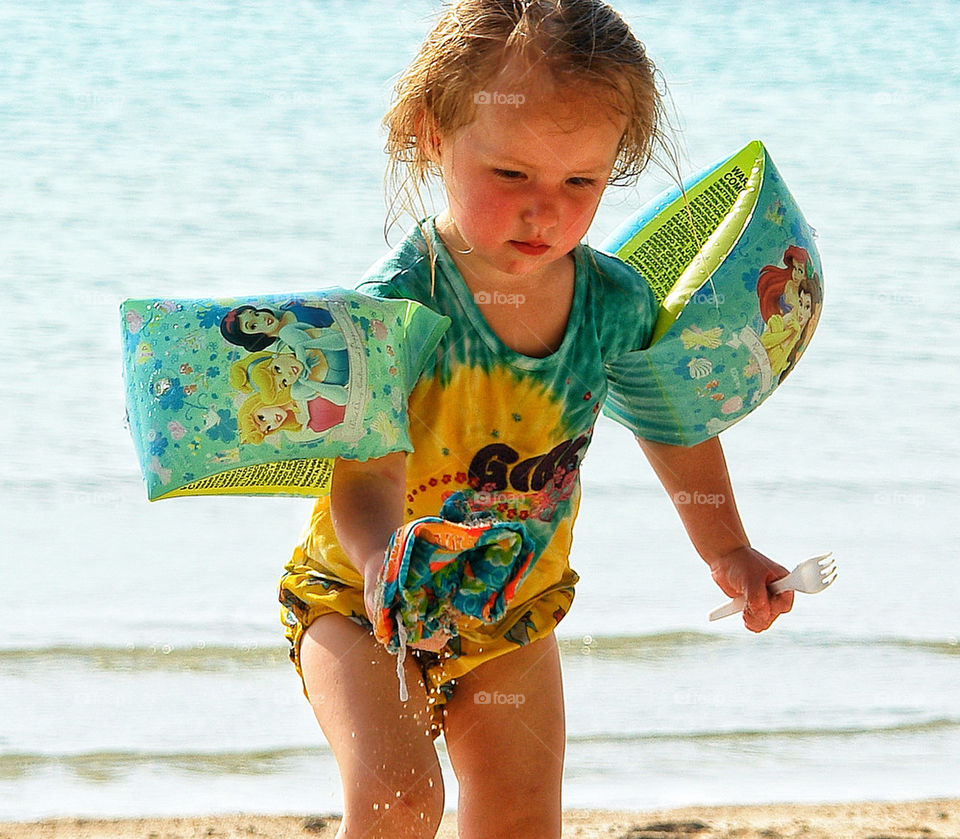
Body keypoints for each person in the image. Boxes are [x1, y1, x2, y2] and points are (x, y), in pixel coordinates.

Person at [278, 2, 795, 837]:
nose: (543, 212)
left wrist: (727, 546)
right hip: (360, 600)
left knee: (521, 818)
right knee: (399, 798)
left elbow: (674, 421)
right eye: (512, 176)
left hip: (511, 604)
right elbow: (365, 476)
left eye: (579, 182)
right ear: (430, 135)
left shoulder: (611, 301)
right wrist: (382, 566)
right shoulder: (395, 309)